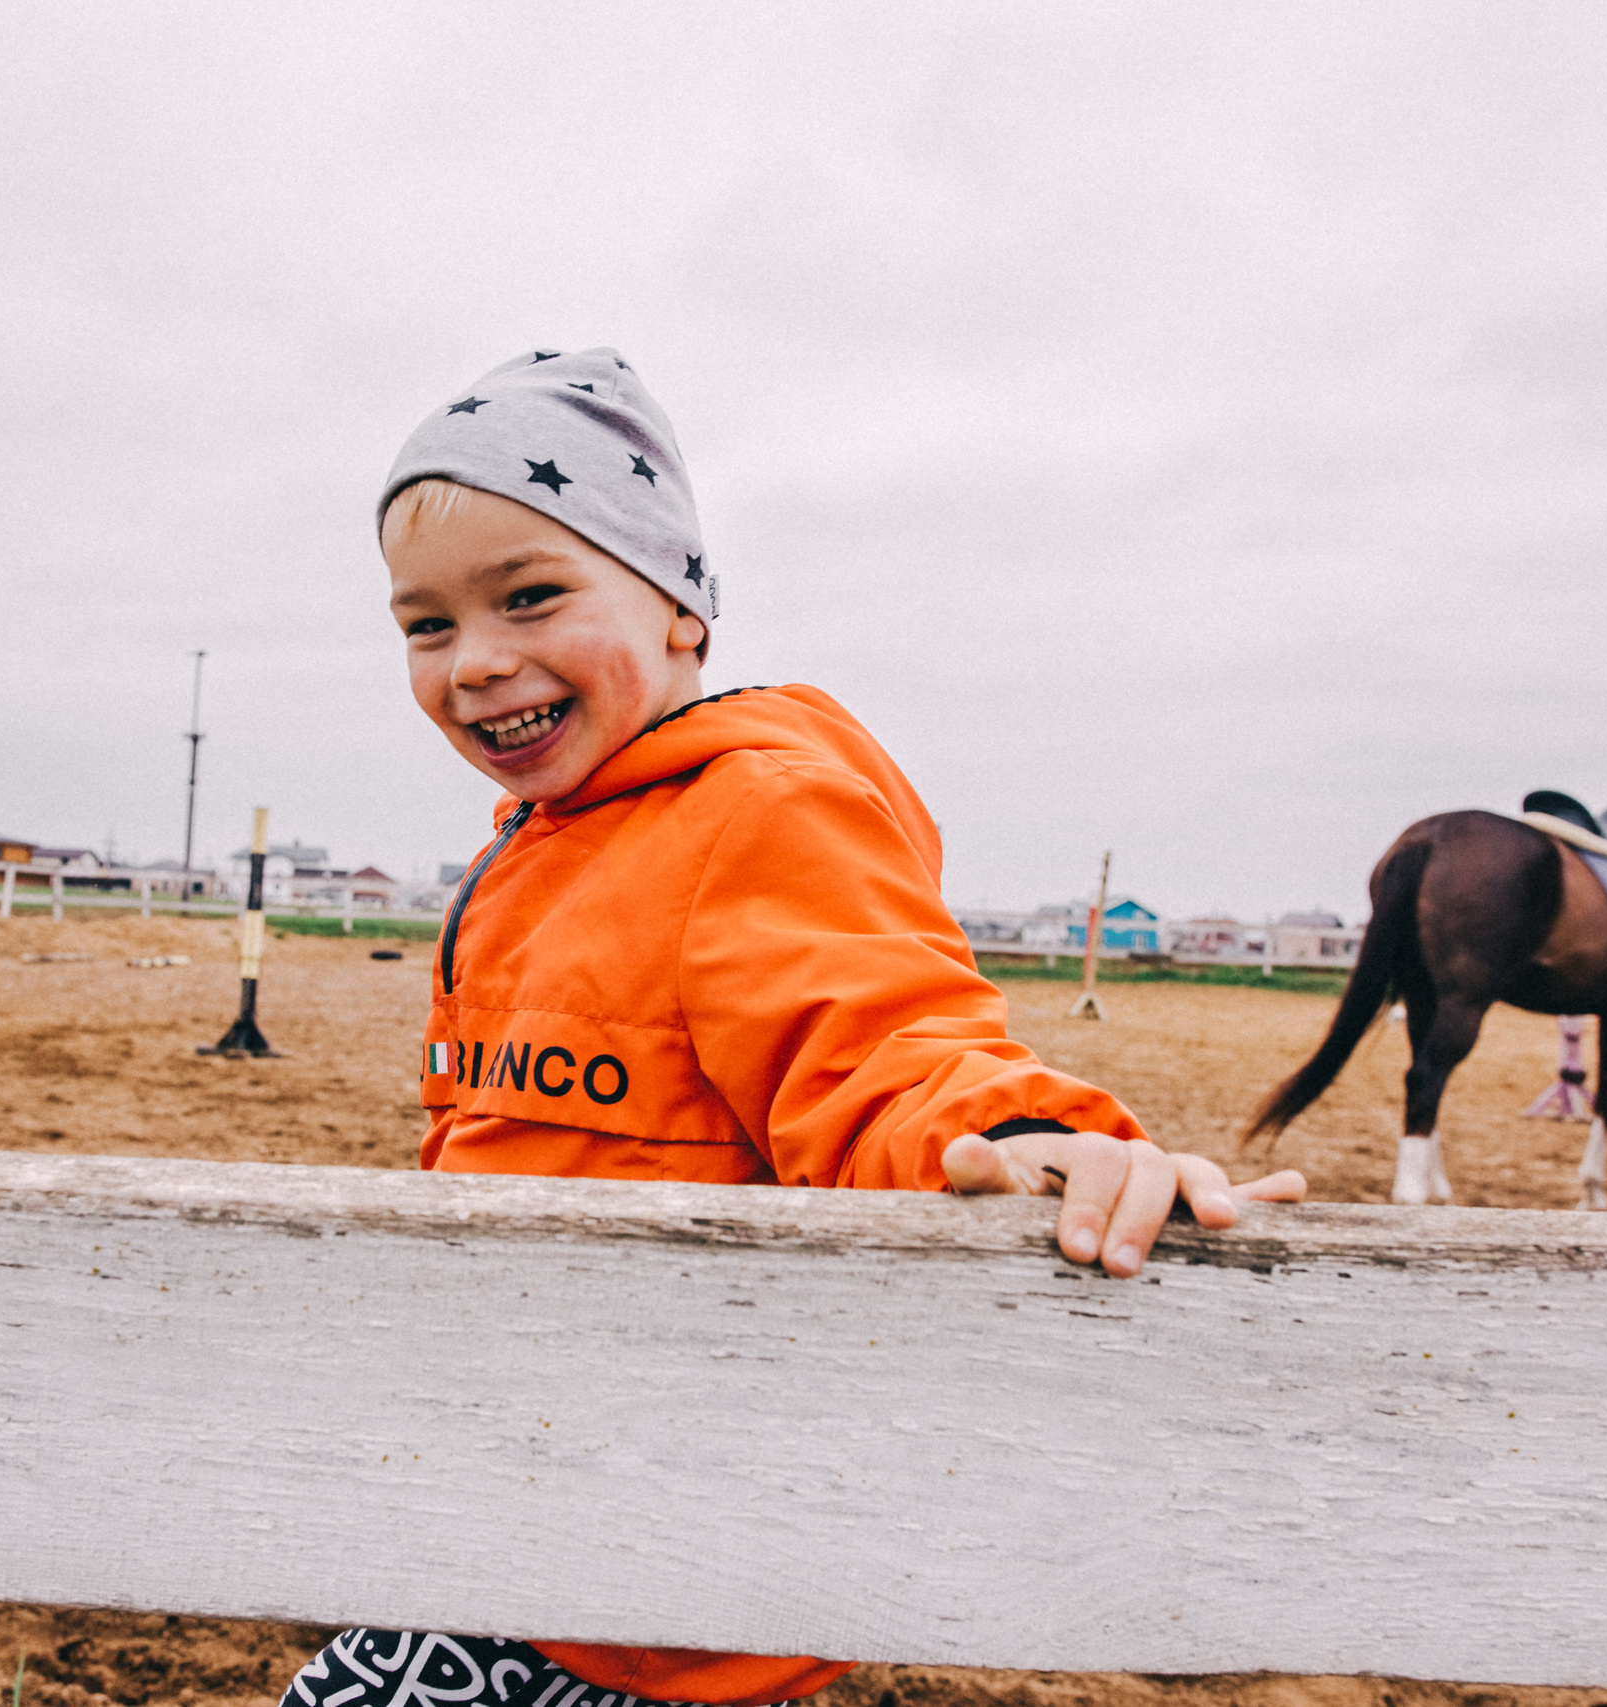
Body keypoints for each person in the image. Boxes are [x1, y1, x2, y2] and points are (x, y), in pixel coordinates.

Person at [280, 349, 1307, 1707]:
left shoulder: (755, 813)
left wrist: (1029, 1134)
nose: (476, 662)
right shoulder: (551, 838)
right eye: (426, 624)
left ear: (681, 612)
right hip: (534, 1469)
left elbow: (883, 1041)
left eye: (532, 595)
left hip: (652, 1543)